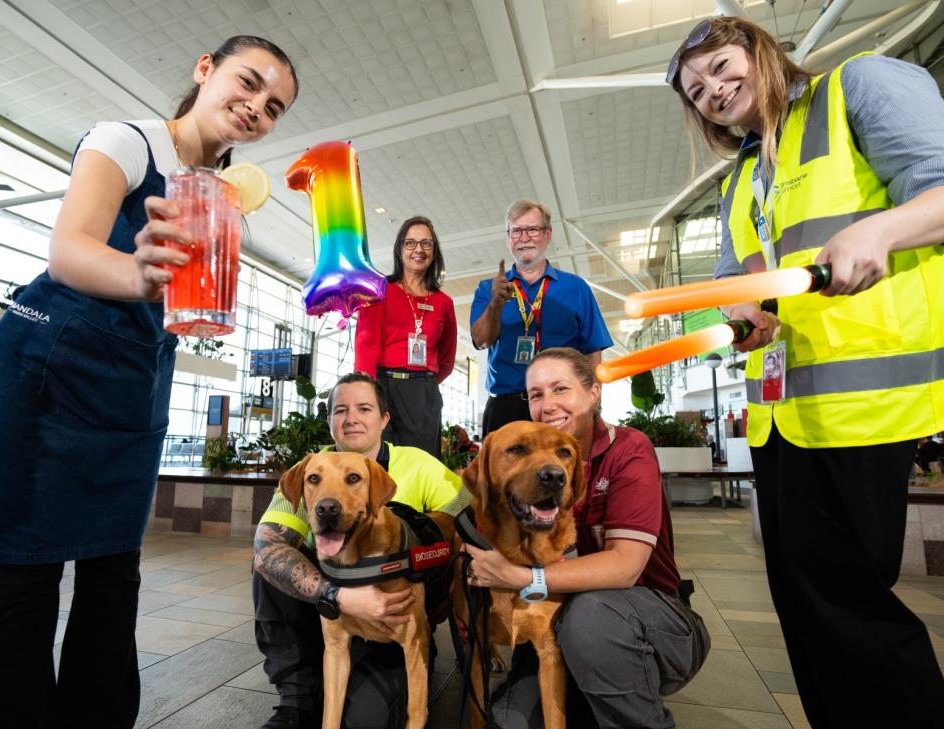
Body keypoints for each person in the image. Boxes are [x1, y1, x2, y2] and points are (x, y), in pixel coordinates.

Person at [0, 36, 299, 729]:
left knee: (114, 577)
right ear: (205, 68)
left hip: (130, 384)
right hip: (44, 371)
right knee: (23, 575)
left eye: (274, 107)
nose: (256, 107)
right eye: (248, 81)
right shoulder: (129, 141)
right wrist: (138, 275)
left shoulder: (219, 193)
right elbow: (71, 246)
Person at [670, 16, 944, 728]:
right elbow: (742, 285)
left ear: (760, 49)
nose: (714, 91)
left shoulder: (859, 86)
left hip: (865, 396)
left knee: (846, 599)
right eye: (697, 91)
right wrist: (746, 315)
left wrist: (880, 229)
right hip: (785, 410)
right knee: (805, 603)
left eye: (722, 68)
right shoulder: (742, 177)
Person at [465, 347, 709, 729]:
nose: (548, 405)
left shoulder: (629, 450)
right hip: (557, 621)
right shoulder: (532, 467)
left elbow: (625, 567)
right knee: (512, 720)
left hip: (643, 617)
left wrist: (527, 579)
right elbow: (472, 508)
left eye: (560, 389)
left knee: (590, 619)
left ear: (593, 393)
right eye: (536, 394)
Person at [251, 372, 468, 729]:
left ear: (384, 419)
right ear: (330, 420)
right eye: (340, 410)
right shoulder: (311, 468)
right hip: (329, 605)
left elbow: (467, 507)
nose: (351, 418)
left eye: (364, 408)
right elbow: (265, 547)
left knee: (368, 721)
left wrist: (441, 536)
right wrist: (336, 596)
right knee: (270, 563)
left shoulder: (418, 463)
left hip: (393, 613)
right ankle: (296, 699)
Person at [470, 200, 613, 436]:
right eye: (516, 231)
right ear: (508, 238)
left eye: (533, 229)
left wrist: (594, 406)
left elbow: (593, 353)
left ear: (547, 235)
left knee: (562, 472)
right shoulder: (490, 288)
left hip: (561, 408)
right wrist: (495, 304)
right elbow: (481, 341)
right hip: (506, 408)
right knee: (502, 474)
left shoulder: (575, 288)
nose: (524, 237)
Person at [354, 216, 457, 458]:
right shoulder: (380, 291)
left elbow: (447, 360)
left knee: (420, 465)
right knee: (379, 463)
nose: (418, 249)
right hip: (382, 386)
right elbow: (366, 343)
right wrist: (366, 392)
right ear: (400, 250)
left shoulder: (444, 303)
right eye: (410, 243)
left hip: (423, 393)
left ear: (434, 251)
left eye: (426, 243)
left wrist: (422, 382)